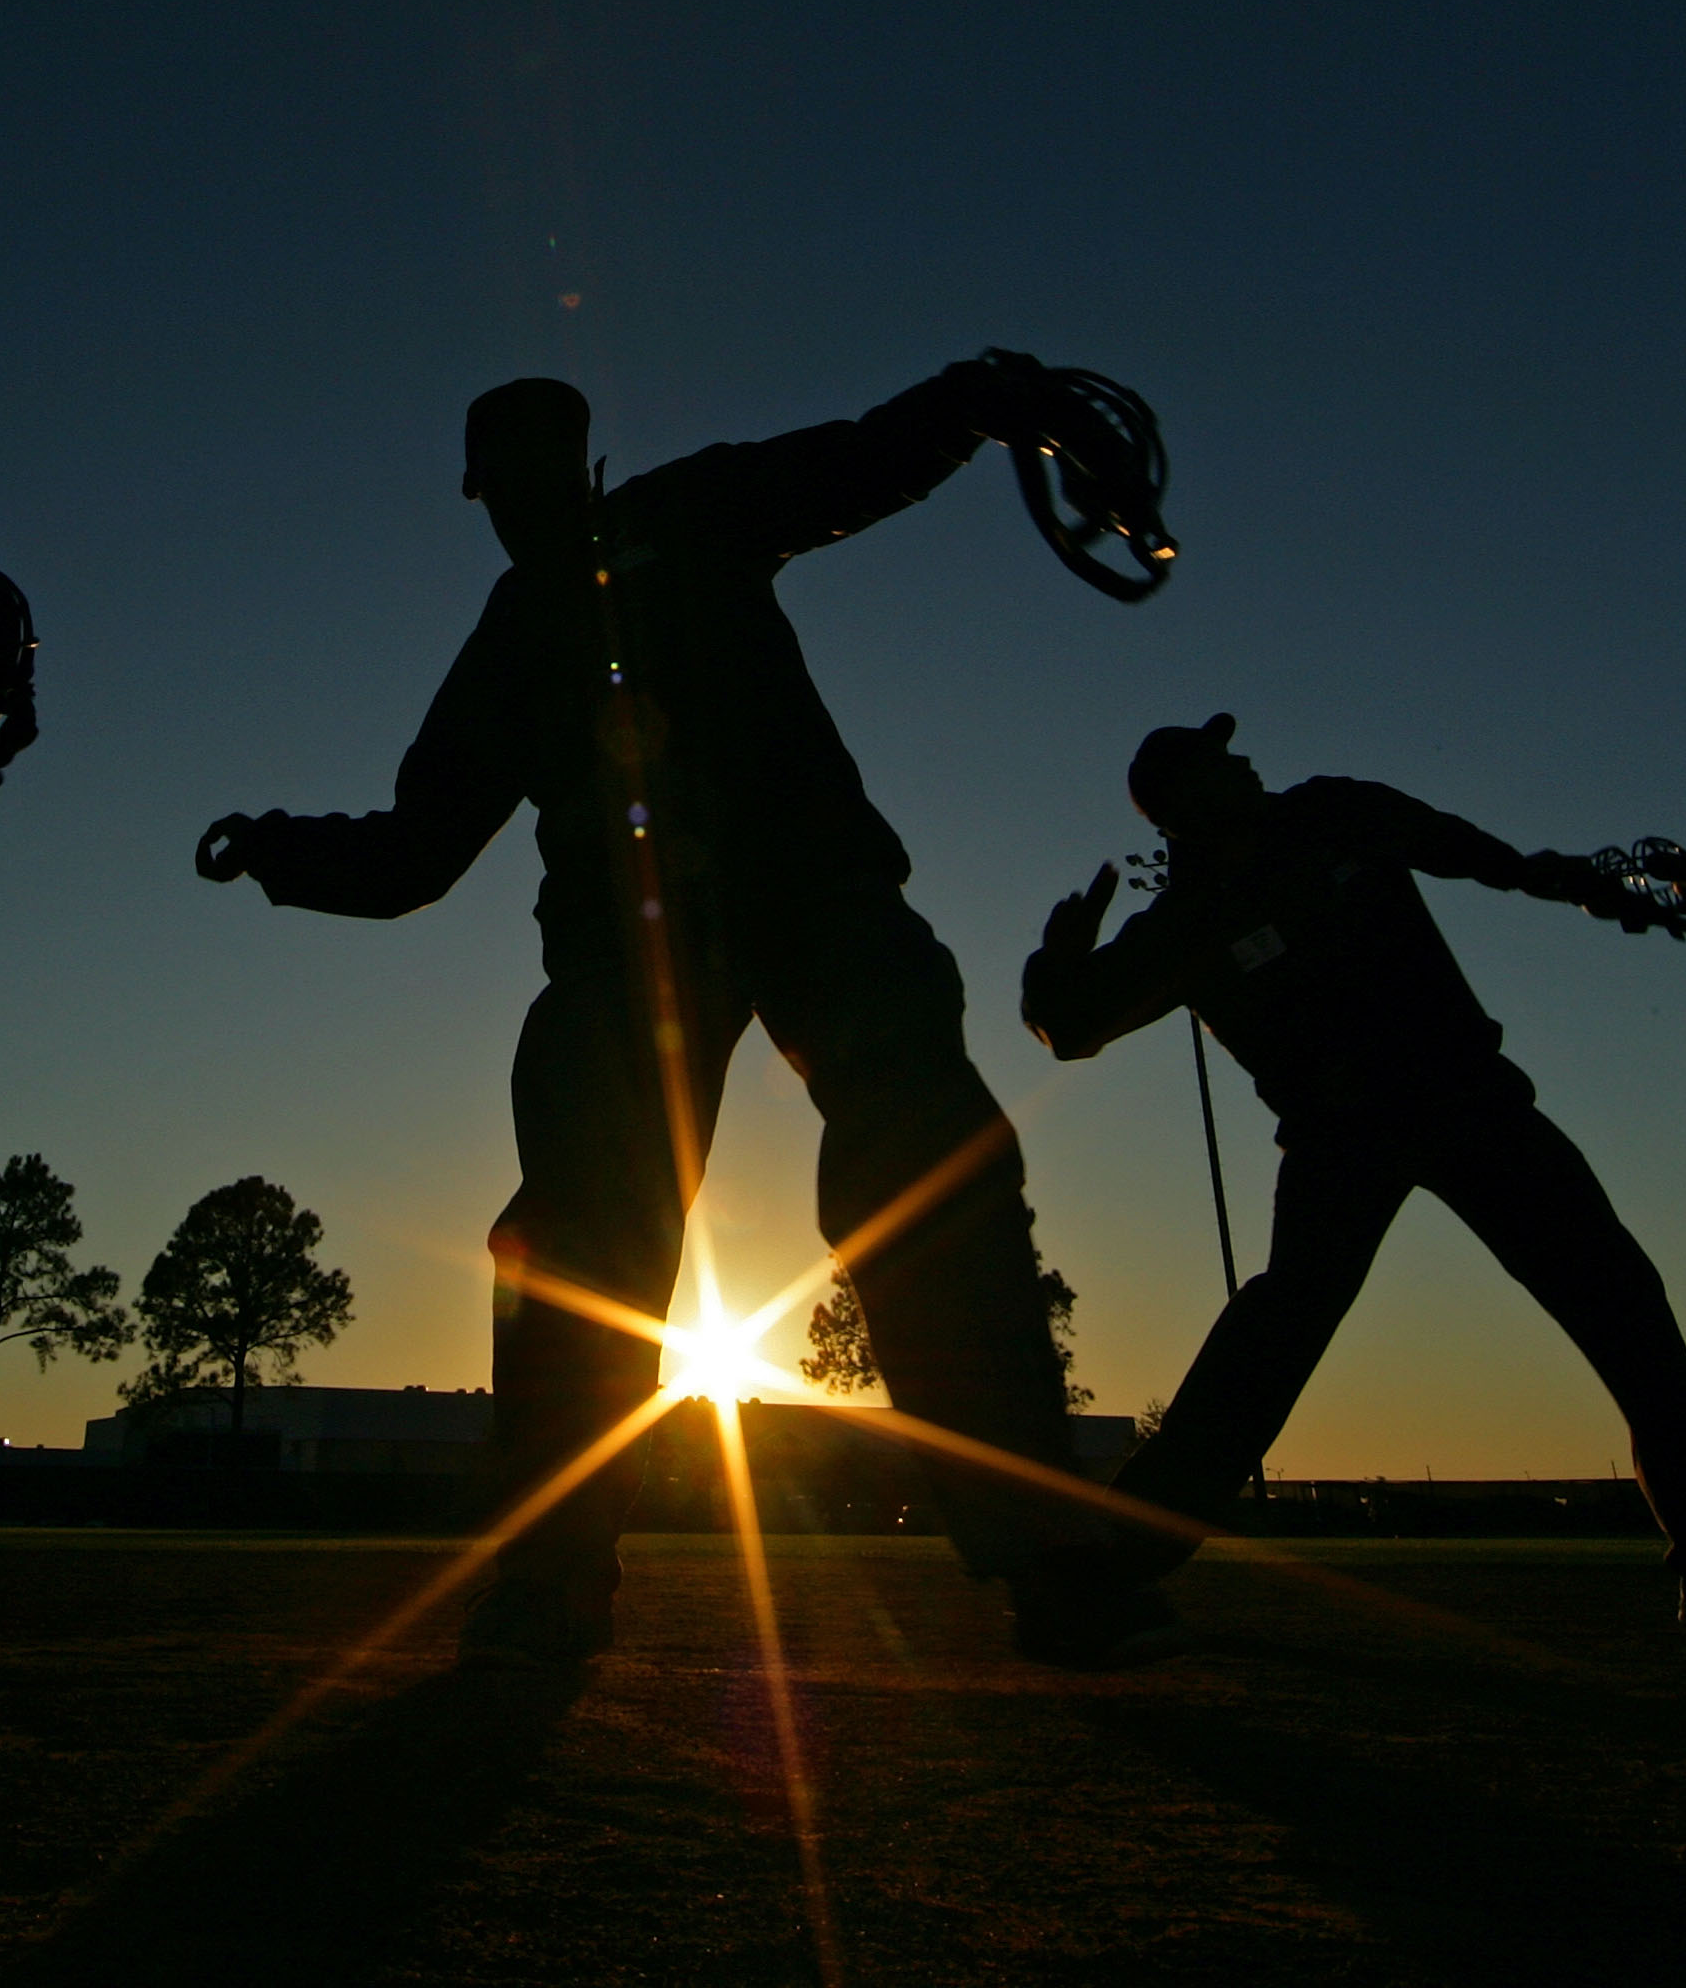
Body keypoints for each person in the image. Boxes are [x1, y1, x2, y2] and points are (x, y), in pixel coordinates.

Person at [196, 362, 1165, 1668]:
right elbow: (416, 854)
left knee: (927, 1169)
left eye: (546, 460)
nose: (527, 492)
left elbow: (865, 458)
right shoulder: (514, 634)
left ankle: (1051, 1560)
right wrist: (281, 852)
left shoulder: (693, 510)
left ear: (580, 463)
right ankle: (548, 1580)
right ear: (485, 494)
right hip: (634, 947)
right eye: (507, 472)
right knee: (584, 1238)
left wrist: (977, 397)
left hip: (810, 886)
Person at [1017, 713, 1686, 1637]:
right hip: (1341, 1139)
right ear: (1186, 801)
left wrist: (1603, 884)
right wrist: (1057, 964)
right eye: (1222, 758)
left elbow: (1493, 859)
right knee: (1275, 1336)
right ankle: (1115, 1565)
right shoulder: (1188, 919)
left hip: (1470, 1104)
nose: (1248, 758)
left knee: (1624, 1304)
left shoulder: (1337, 812)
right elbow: (1071, 1029)